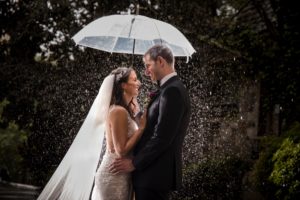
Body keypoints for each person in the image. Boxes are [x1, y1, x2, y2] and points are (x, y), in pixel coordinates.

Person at [37, 67, 146, 200]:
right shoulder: (118, 111)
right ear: (123, 85)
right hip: (114, 176)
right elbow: (120, 150)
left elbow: (111, 147)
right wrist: (141, 129)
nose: (139, 83)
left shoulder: (121, 110)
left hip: (120, 174)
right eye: (134, 80)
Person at [110, 44, 191, 200]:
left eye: (148, 65)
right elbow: (152, 125)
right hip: (151, 176)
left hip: (154, 176)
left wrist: (135, 163)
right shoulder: (167, 89)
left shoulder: (172, 91)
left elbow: (162, 137)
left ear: (160, 61)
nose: (146, 72)